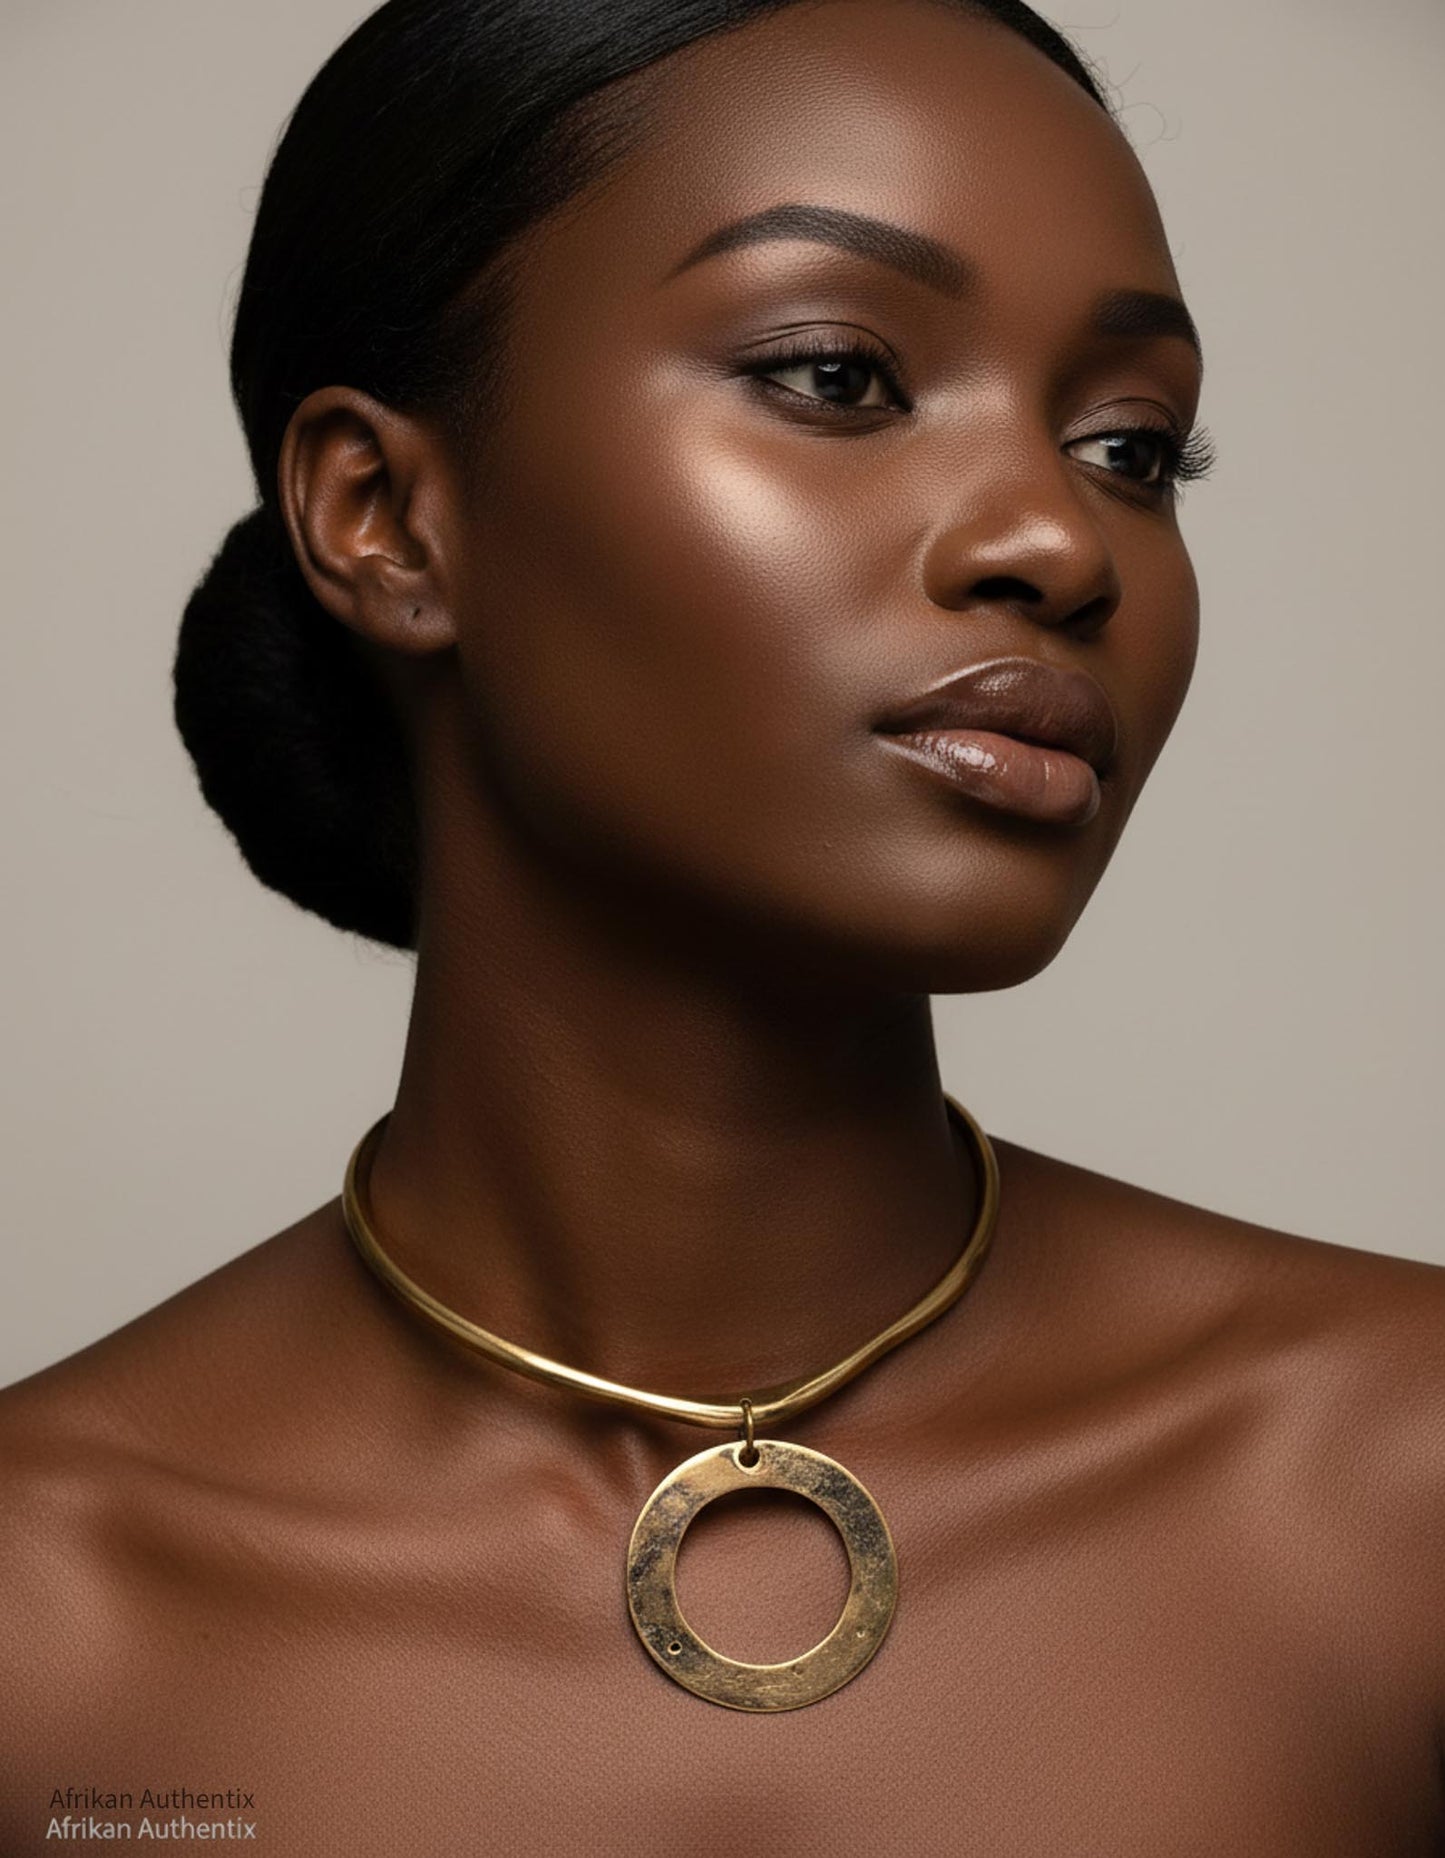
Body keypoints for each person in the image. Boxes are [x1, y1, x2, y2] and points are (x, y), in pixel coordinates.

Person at [2, 0, 1441, 1850]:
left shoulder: (1391, 1489)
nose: (1063, 545)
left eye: (1132, 446)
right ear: (385, 515)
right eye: (841, 374)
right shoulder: (53, 1631)